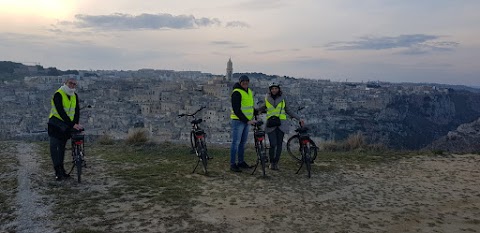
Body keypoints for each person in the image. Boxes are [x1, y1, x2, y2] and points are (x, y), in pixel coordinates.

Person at [257, 82, 304, 170]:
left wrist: (299, 118)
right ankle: (272, 162)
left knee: (279, 144)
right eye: (272, 89)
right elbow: (263, 107)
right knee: (273, 144)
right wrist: (255, 111)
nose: (274, 90)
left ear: (279, 89)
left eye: (276, 88)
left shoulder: (283, 98)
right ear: (270, 90)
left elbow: (288, 110)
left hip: (281, 123)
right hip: (271, 123)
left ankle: (276, 163)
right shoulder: (267, 98)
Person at [47, 78, 83, 181]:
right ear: (65, 83)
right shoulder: (58, 94)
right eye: (70, 83)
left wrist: (75, 124)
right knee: (55, 148)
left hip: (66, 126)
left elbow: (76, 112)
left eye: (74, 84)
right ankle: (58, 172)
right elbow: (61, 112)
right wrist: (72, 124)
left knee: (61, 148)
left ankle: (62, 170)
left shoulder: (74, 96)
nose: (72, 85)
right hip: (55, 125)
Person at [230, 75, 257, 172]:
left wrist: (256, 112)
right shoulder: (236, 92)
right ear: (240, 82)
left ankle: (241, 162)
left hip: (246, 121)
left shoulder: (249, 91)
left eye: (247, 81)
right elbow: (236, 109)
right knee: (236, 143)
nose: (245, 83)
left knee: (242, 143)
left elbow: (249, 106)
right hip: (238, 121)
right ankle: (233, 164)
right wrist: (247, 120)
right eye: (243, 81)